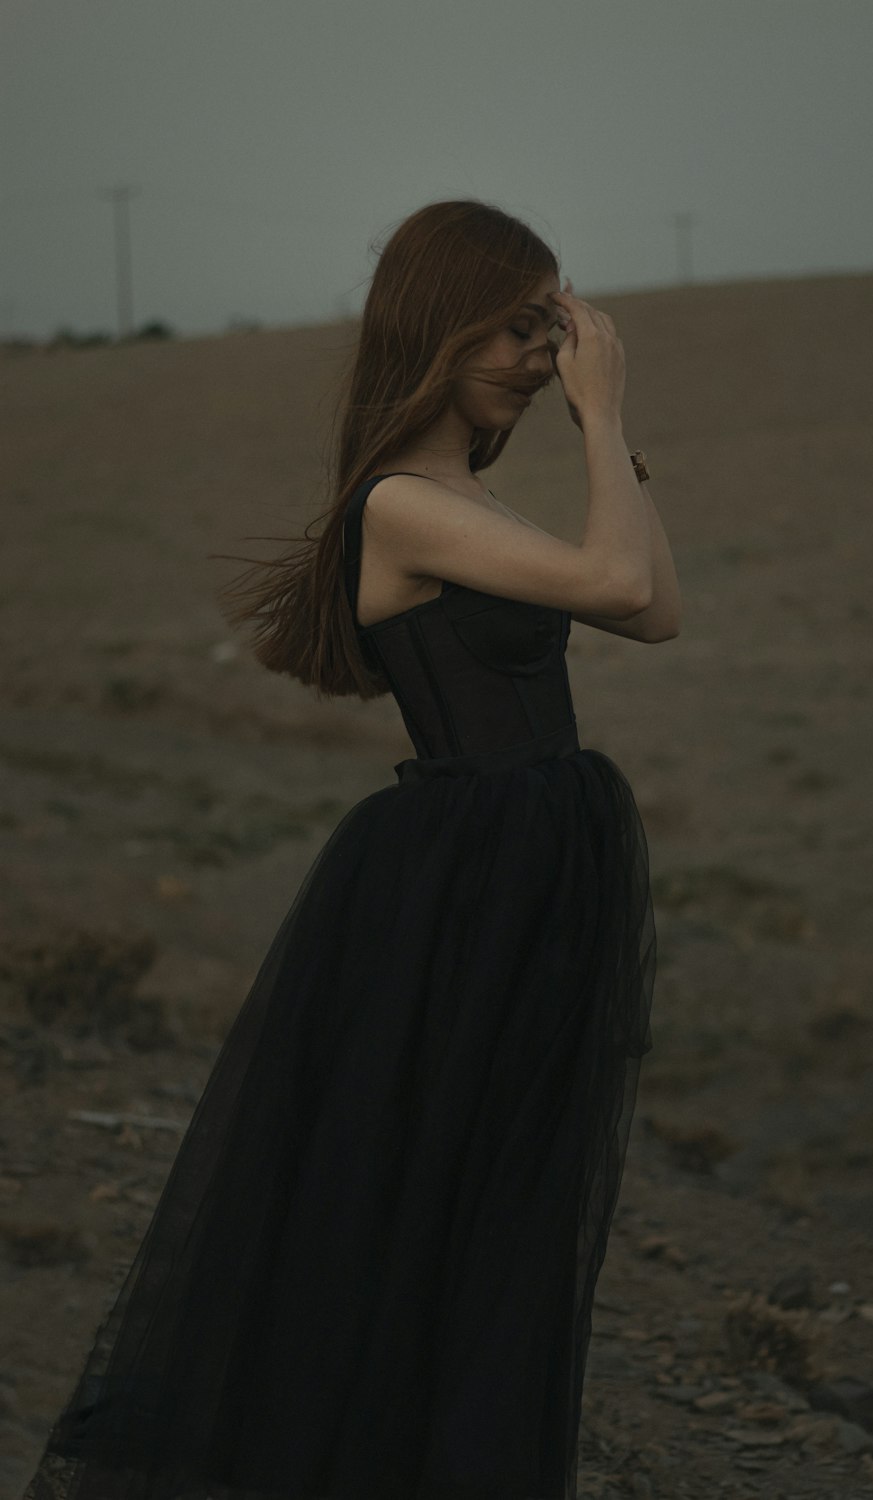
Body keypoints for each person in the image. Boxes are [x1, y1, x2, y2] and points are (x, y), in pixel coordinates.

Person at [21, 199, 682, 1500]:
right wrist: (602, 417)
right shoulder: (400, 506)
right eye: (519, 330)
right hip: (459, 890)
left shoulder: (465, 497)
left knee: (503, 1210)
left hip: (531, 876)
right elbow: (613, 586)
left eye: (552, 329)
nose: (542, 356)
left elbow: (656, 608)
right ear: (440, 333)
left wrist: (612, 434)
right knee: (421, 1208)